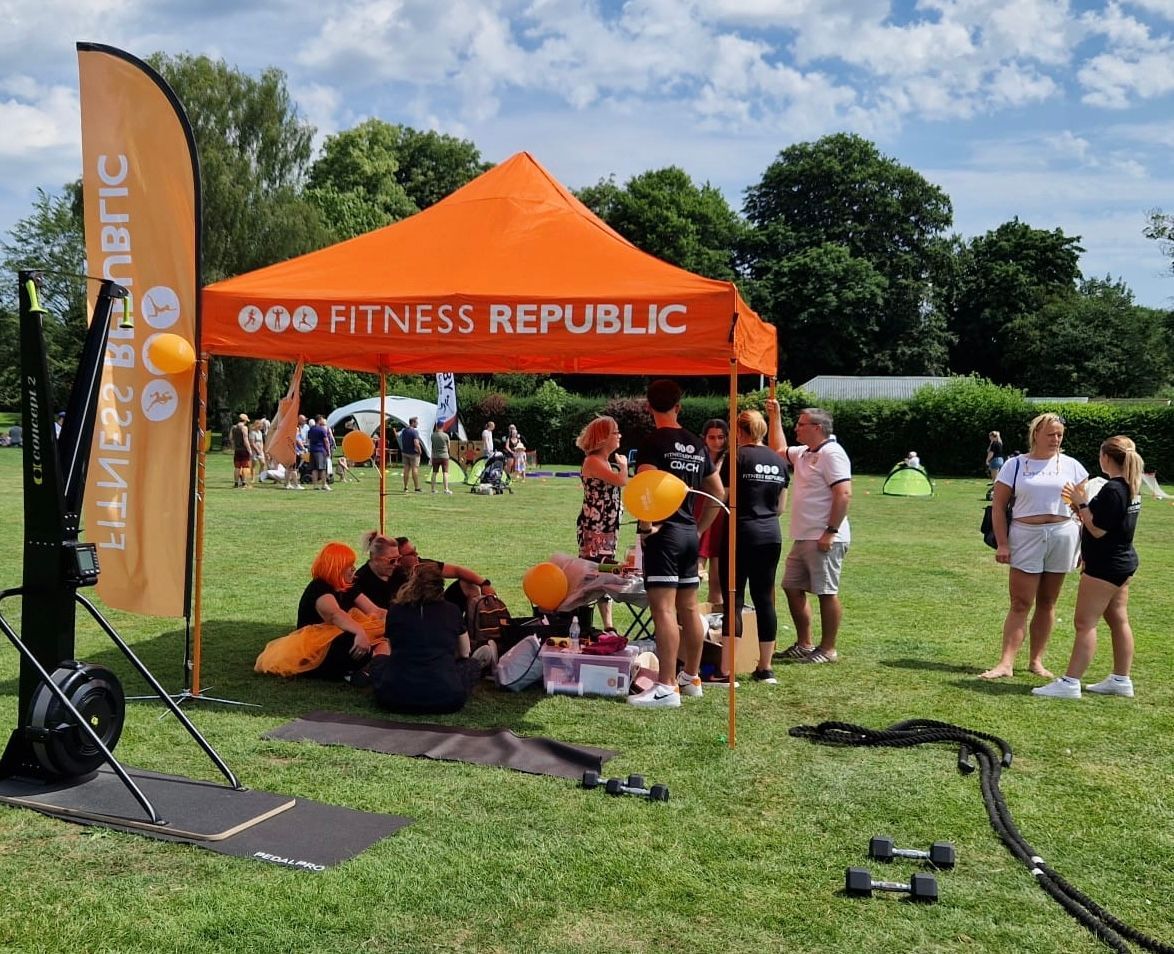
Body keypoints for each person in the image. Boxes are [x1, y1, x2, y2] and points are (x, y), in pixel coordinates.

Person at [628, 379, 723, 709]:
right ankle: (691, 678)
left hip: (663, 534)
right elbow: (718, 493)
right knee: (689, 608)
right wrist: (699, 530)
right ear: (679, 406)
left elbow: (645, 487)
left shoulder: (653, 441)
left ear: (648, 407)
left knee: (664, 609)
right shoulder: (697, 443)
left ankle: (666, 686)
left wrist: (646, 527)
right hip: (687, 534)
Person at [980, 413, 1088, 680]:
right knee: (1020, 602)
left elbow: (1083, 510)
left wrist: (1083, 548)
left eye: (1059, 434)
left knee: (1048, 602)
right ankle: (1006, 663)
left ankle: (1036, 661)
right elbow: (998, 507)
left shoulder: (1073, 466)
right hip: (1025, 535)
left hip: (1063, 535)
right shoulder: (1015, 465)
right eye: (1050, 434)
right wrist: (1002, 544)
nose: (1056, 439)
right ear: (1036, 434)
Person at [1033, 436, 1143, 699]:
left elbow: (1098, 529)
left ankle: (1070, 682)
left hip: (1105, 566)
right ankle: (1121, 680)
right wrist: (1081, 507)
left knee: (1085, 623)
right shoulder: (1129, 486)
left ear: (1106, 457)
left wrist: (1081, 501)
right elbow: (1107, 522)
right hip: (1121, 562)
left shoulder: (1112, 489)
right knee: (1118, 620)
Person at [768, 402, 852, 664]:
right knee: (791, 586)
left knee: (826, 591)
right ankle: (805, 644)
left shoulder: (832, 453)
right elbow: (777, 451)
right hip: (804, 535)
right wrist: (775, 417)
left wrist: (831, 531)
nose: (796, 428)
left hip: (824, 536)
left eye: (801, 424)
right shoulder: (805, 452)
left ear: (817, 427)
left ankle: (828, 649)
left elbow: (843, 493)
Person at [710, 410, 788, 684]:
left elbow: (723, 495)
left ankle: (726, 669)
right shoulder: (778, 460)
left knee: (734, 598)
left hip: (740, 532)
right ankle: (765, 667)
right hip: (770, 534)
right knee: (764, 598)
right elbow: (781, 507)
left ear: (739, 431)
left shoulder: (736, 456)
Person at [369, 562, 496, 714]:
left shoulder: (395, 610)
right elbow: (464, 652)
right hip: (447, 698)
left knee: (379, 661)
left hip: (393, 698)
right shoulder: (452, 611)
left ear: (411, 584)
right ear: (440, 586)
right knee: (472, 664)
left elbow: (392, 648)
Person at [574, 416, 629, 634]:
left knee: (604, 569)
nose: (619, 436)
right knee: (595, 571)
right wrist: (623, 466)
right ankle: (582, 619)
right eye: (616, 432)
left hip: (607, 527)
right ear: (603, 437)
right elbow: (621, 481)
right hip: (595, 528)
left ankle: (607, 624)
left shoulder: (604, 462)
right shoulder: (593, 461)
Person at [296, 541, 380, 680]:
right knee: (350, 639)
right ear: (337, 567)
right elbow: (335, 615)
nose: (354, 569)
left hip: (336, 636)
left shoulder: (347, 585)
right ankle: (357, 670)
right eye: (349, 565)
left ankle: (375, 665)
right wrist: (360, 632)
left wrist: (396, 618)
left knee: (383, 632)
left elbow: (373, 610)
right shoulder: (319, 587)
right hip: (316, 646)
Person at [388, 537, 498, 636]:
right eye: (411, 553)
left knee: (470, 586)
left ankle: (472, 635)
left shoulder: (424, 565)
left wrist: (484, 584)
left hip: (436, 608)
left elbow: (457, 570)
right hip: (413, 618)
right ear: (399, 559)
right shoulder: (390, 574)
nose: (416, 554)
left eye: (415, 550)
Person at [696, 418, 730, 608]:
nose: (717, 442)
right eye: (712, 437)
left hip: (720, 514)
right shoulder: (698, 456)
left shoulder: (730, 458)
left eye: (721, 437)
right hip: (699, 511)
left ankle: (716, 615)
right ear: (704, 438)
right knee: (695, 567)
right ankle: (686, 614)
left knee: (717, 576)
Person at [347, 531, 400, 611]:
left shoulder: (399, 574)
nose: (396, 564)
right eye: (392, 560)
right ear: (376, 559)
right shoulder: (360, 582)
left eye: (398, 559)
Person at [307, 414, 332, 491]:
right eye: (322, 419)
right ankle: (324, 485)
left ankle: (315, 485)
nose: (323, 420)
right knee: (322, 468)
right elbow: (326, 441)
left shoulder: (311, 430)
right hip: (320, 450)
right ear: (319, 420)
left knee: (314, 469)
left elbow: (309, 440)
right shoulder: (322, 429)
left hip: (312, 450)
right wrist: (328, 451)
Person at [400, 416, 423, 493]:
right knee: (414, 469)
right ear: (413, 422)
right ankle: (416, 487)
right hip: (413, 454)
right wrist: (420, 451)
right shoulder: (414, 432)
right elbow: (416, 443)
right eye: (416, 422)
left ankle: (405, 487)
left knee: (406, 470)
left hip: (405, 452)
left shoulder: (404, 431)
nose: (417, 424)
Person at [430, 421, 453, 494]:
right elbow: (449, 447)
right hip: (444, 456)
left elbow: (432, 446)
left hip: (435, 456)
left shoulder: (432, 435)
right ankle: (446, 489)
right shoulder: (446, 436)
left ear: (436, 426)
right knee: (445, 473)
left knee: (434, 472)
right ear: (443, 426)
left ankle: (433, 489)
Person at [231, 413, 253, 488]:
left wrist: (234, 447)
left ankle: (236, 483)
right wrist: (249, 449)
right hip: (244, 449)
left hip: (237, 450)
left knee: (237, 467)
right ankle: (244, 483)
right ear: (245, 420)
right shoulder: (244, 428)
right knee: (245, 466)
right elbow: (245, 439)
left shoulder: (233, 427)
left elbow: (231, 438)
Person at [985, 430, 1004, 498]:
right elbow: (988, 450)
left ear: (992, 436)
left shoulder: (994, 443)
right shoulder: (999, 443)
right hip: (1001, 460)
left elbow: (991, 453)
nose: (989, 438)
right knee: (999, 478)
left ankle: (995, 494)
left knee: (995, 479)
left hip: (995, 460)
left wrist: (987, 460)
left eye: (990, 436)